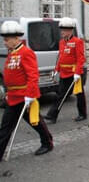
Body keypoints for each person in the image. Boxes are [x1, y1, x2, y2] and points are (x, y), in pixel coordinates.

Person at [0, 21, 53, 160]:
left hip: (24, 97)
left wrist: (30, 95)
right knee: (5, 126)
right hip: (13, 97)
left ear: (16, 38)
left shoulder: (26, 52)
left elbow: (33, 75)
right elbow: (11, 75)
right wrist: (8, 92)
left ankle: (47, 142)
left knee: (36, 122)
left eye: (7, 40)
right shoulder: (12, 53)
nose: (4, 42)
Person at [45, 17, 87, 124]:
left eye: (64, 30)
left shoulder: (77, 42)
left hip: (74, 74)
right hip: (64, 73)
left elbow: (81, 58)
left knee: (79, 94)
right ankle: (52, 115)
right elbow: (61, 57)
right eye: (61, 30)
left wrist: (77, 73)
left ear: (70, 31)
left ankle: (82, 114)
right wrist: (56, 70)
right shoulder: (61, 42)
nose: (62, 32)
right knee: (61, 95)